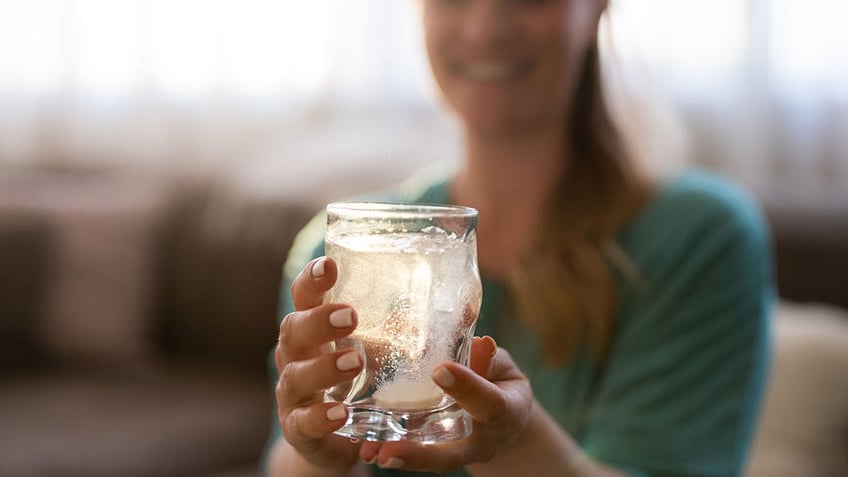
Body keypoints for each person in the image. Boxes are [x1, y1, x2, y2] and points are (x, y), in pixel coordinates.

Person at [265, 0, 774, 476]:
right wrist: (319, 454)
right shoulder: (342, 250)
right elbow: (288, 458)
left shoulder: (700, 238)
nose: (485, 28)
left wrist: (515, 440)